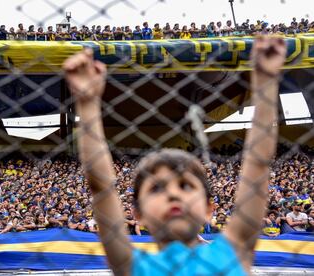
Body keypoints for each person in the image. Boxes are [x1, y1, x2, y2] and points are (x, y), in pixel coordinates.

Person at [63, 36, 286, 275]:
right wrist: (86, 104)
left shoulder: (232, 251)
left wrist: (266, 82)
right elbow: (101, 186)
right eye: (157, 188)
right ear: (138, 214)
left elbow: (258, 165)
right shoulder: (132, 265)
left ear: (209, 209)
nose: (173, 194)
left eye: (186, 186)